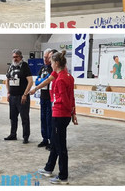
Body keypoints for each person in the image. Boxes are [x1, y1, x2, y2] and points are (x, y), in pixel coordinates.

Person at [38, 51, 78, 184]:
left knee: (60, 146)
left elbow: (66, 100)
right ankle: (49, 168)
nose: (50, 63)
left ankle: (63, 176)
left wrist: (70, 112)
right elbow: (72, 97)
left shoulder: (61, 79)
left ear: (56, 63)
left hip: (60, 114)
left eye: (51, 61)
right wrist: (73, 113)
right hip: (62, 114)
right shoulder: (67, 76)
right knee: (55, 143)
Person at [5, 49, 33, 143]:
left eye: (16, 57)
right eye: (13, 57)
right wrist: (8, 92)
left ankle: (25, 136)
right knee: (13, 117)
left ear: (20, 57)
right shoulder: (11, 67)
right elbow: (7, 80)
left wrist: (25, 94)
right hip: (12, 96)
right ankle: (13, 134)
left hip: (22, 97)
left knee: (24, 117)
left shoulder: (24, 66)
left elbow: (30, 81)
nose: (15, 59)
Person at [35, 48, 53, 150]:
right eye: (44, 57)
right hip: (43, 97)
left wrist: (42, 80)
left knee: (49, 119)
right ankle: (44, 138)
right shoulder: (42, 68)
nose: (45, 59)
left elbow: (47, 80)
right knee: (42, 119)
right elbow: (37, 82)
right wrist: (43, 79)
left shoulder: (53, 68)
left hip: (50, 98)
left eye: (47, 58)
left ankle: (51, 140)